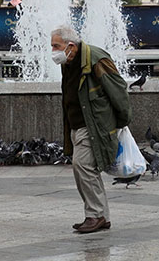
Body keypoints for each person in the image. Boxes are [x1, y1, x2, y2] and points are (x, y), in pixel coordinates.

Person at [52, 25, 132, 234]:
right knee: (82, 170)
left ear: (70, 45)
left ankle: (95, 215)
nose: (53, 51)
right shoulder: (68, 62)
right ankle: (99, 215)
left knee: (83, 166)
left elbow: (118, 90)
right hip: (77, 126)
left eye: (56, 46)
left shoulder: (96, 59)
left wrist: (122, 122)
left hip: (94, 125)